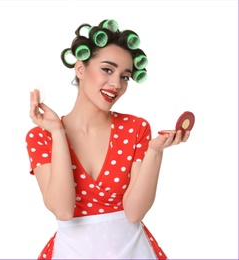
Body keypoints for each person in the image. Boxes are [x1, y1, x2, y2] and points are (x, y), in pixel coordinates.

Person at [26, 19, 190, 259]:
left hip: (132, 251)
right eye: (107, 69)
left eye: (125, 77)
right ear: (80, 68)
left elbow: (134, 213)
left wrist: (154, 152)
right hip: (71, 251)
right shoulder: (42, 136)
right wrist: (58, 133)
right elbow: (63, 210)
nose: (116, 84)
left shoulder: (136, 128)